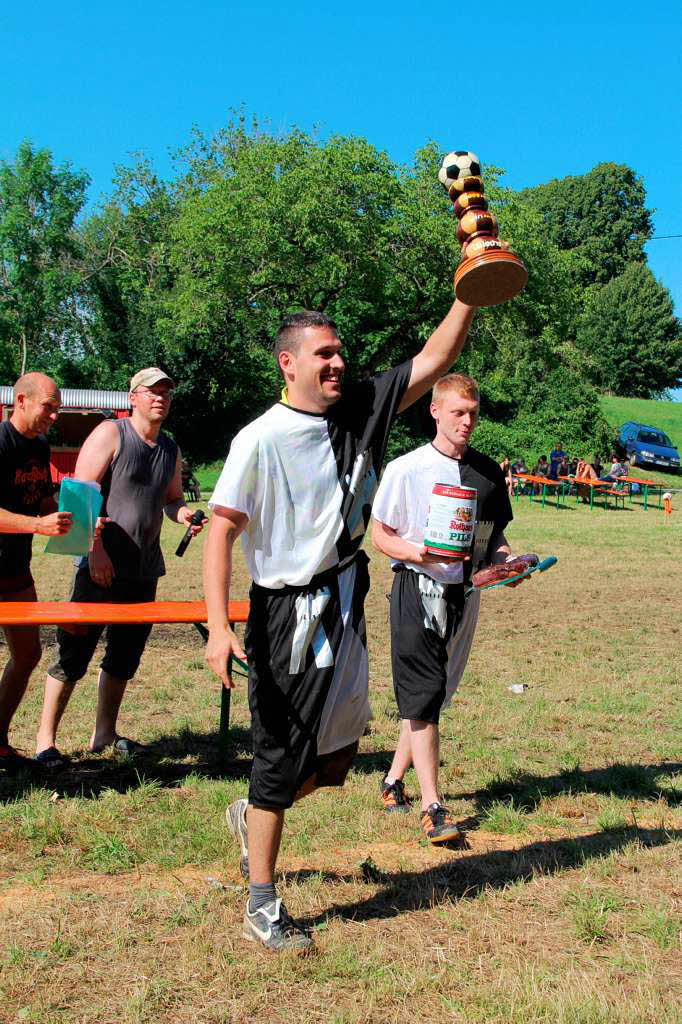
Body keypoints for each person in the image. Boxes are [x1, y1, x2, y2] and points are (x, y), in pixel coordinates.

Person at [203, 302, 476, 953]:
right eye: (322, 353)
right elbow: (220, 531)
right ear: (288, 363)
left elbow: (437, 359)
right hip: (287, 615)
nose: (337, 362)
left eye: (340, 351)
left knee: (336, 759)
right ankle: (263, 905)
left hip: (346, 602)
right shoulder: (261, 439)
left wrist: (469, 291)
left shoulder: (360, 407)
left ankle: (253, 815)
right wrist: (218, 626)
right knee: (277, 760)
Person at [371, 373, 515, 843]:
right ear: (434, 411)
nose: (467, 421)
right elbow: (381, 536)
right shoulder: (406, 469)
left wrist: (507, 563)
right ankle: (433, 806)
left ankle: (392, 781)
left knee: (430, 697)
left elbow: (494, 540)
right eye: (458, 412)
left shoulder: (489, 474)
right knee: (426, 694)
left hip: (464, 598)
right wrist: (421, 555)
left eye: (473, 413)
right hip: (416, 590)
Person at [34, 368, 204, 768]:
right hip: (99, 566)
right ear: (133, 397)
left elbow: (171, 498)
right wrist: (95, 552)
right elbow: (78, 496)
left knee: (125, 656)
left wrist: (184, 516)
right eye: (152, 391)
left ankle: (104, 734)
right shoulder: (111, 433)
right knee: (73, 653)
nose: (160, 397)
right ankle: (45, 742)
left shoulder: (170, 447)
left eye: (166, 392)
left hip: (144, 568)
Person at [0, 374, 72, 768]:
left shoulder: (40, 447)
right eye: (49, 405)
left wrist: (75, 522)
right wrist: (36, 525)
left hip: (15, 570)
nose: (55, 414)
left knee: (27, 654)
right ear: (22, 401)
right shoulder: (0, 442)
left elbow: (44, 502)